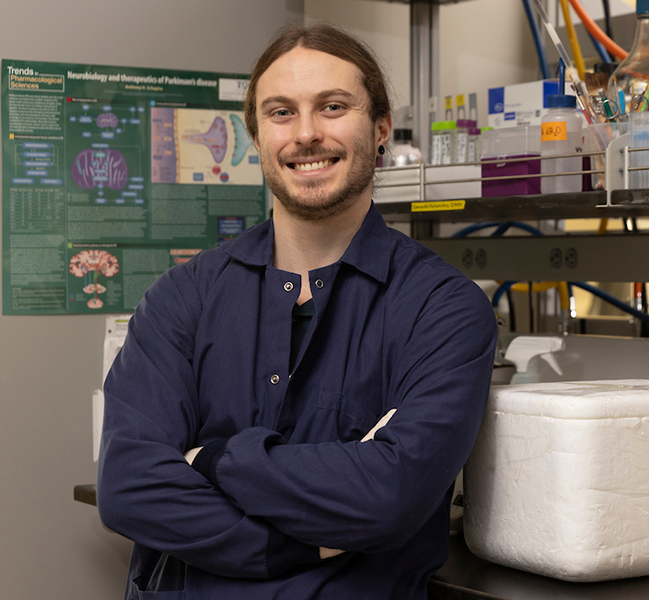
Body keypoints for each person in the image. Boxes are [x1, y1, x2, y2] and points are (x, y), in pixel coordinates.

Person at [97, 22, 498, 599]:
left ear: (380, 129)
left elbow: (389, 496)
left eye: (333, 106)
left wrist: (211, 458)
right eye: (281, 113)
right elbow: (128, 488)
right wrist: (298, 543)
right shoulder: (183, 297)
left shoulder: (443, 309)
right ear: (256, 136)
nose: (306, 134)